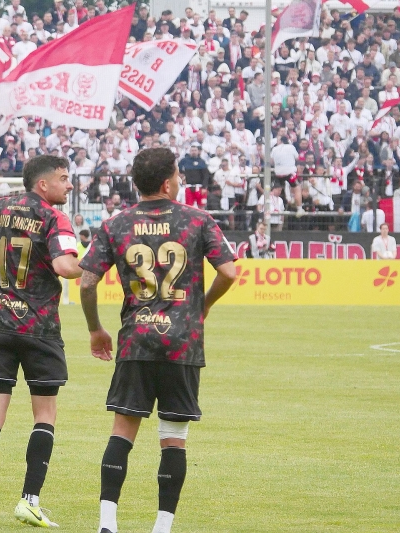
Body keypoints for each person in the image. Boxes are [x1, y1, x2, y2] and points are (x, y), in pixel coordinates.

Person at [78, 148, 237, 533]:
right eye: (178, 174)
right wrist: (202, 305)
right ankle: (162, 527)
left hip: (137, 340)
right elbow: (229, 273)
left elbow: (86, 283)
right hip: (182, 341)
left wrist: (95, 329)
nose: (180, 180)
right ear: (167, 183)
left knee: (122, 431)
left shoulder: (116, 224)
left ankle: (107, 523)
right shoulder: (197, 220)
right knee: (173, 438)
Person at [0, 155, 82, 528]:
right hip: (39, 330)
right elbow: (65, 267)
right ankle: (29, 501)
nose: (69, 185)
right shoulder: (53, 218)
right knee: (45, 415)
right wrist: (101, 262)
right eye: (63, 178)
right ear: (43, 184)